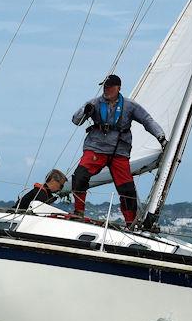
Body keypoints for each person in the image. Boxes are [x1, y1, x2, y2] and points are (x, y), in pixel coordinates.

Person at [71, 74, 165, 226]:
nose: (106, 90)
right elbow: (76, 121)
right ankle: (78, 212)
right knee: (80, 176)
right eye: (105, 87)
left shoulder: (130, 105)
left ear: (118, 88)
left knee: (127, 190)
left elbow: (147, 121)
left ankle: (131, 223)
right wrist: (85, 110)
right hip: (96, 148)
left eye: (109, 87)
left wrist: (161, 137)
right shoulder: (94, 103)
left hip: (119, 152)